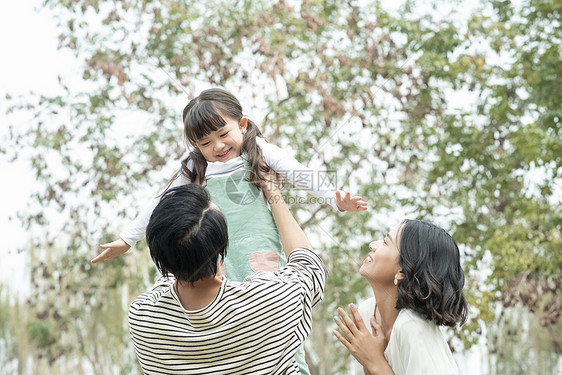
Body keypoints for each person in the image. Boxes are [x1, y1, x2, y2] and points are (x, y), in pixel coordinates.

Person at [93, 87, 365, 374]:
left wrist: (334, 198)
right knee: (227, 308)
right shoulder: (195, 167)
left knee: (271, 311)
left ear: (243, 124)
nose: (218, 147)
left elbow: (298, 171)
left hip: (259, 246)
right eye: (206, 143)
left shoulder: (258, 151)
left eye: (224, 134)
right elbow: (161, 203)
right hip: (216, 254)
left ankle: (288, 361)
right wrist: (128, 238)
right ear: (196, 146)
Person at [128, 182, 327, 374]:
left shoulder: (142, 319)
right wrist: (273, 193)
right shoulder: (271, 300)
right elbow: (310, 266)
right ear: (221, 252)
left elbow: (166, 277)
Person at [333, 220, 468, 375]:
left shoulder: (413, 327)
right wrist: (368, 363)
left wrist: (375, 362)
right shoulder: (367, 311)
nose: (372, 244)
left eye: (385, 242)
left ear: (402, 272)